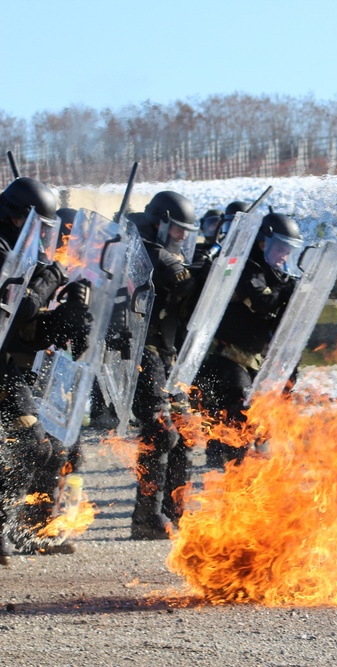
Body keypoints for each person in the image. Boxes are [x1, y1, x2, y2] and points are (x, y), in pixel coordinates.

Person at [0, 178, 91, 561]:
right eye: (35, 226)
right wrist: (51, 274)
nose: (42, 238)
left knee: (65, 450)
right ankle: (6, 525)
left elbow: (29, 332)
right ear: (14, 217)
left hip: (22, 369)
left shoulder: (29, 261)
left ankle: (40, 530)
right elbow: (16, 309)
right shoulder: (3, 255)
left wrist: (73, 316)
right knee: (30, 446)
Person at [195, 211, 301, 468]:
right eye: (280, 249)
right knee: (239, 409)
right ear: (264, 243)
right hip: (226, 356)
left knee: (263, 415)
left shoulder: (276, 274)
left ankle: (247, 465)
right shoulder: (244, 267)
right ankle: (232, 467)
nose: (284, 256)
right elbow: (262, 301)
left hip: (255, 356)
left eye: (288, 251)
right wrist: (289, 291)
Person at [127, 191, 201, 540]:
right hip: (145, 350)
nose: (183, 237)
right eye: (177, 230)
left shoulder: (170, 254)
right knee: (161, 432)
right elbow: (171, 275)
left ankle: (177, 511)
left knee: (185, 431)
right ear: (161, 223)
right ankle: (146, 517)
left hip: (170, 351)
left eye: (187, 230)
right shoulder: (140, 250)